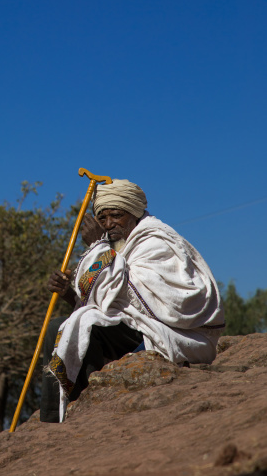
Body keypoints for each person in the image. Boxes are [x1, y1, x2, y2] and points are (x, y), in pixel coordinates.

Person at [41, 179, 225, 423]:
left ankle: (87, 410)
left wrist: (98, 247)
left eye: (116, 216)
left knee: (87, 325)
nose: (108, 225)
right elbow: (109, 300)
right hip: (135, 326)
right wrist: (69, 294)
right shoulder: (116, 248)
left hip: (169, 332)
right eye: (102, 218)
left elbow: (139, 297)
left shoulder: (156, 243)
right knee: (62, 325)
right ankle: (59, 416)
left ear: (134, 213)